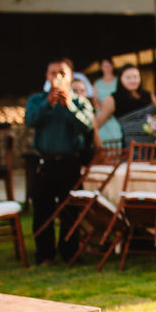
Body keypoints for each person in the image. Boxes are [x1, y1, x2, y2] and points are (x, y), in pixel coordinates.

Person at [25, 58, 96, 264]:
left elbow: (87, 127)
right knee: (42, 209)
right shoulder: (37, 100)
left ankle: (70, 252)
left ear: (70, 76)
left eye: (62, 73)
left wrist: (68, 106)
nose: (57, 77)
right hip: (44, 163)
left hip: (69, 163)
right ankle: (44, 254)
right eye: (53, 73)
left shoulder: (80, 102)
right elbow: (30, 121)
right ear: (47, 76)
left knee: (70, 210)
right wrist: (48, 103)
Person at [95, 64, 156, 150]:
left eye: (136, 77)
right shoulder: (113, 99)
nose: (133, 80)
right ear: (120, 79)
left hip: (155, 147)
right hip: (132, 149)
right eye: (128, 78)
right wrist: (97, 142)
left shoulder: (149, 95)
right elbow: (97, 123)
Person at [93, 59, 122, 146]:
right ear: (101, 68)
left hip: (115, 113)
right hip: (101, 113)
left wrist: (110, 109)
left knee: (117, 135)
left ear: (112, 66)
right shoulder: (97, 83)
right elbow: (95, 100)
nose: (107, 68)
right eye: (104, 66)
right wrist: (104, 110)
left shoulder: (118, 81)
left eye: (109, 65)